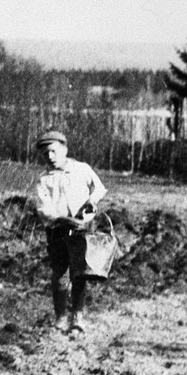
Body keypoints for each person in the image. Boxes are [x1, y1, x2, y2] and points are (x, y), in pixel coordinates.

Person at [34, 130, 107, 334]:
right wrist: (61, 219)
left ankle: (78, 315)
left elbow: (99, 188)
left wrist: (91, 203)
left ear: (64, 149)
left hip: (81, 231)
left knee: (80, 273)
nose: (50, 157)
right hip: (57, 231)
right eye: (45, 153)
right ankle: (60, 316)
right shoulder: (44, 180)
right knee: (59, 274)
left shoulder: (81, 169)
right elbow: (43, 208)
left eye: (54, 151)